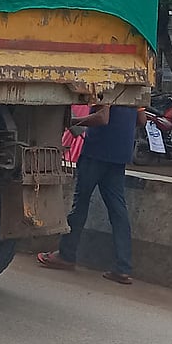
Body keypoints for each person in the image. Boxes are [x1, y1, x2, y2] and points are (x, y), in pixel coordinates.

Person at [36, 104, 137, 285]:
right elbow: (142, 120)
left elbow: (102, 118)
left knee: (80, 203)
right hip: (121, 153)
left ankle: (66, 255)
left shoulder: (106, 82)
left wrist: (72, 122)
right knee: (118, 210)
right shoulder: (133, 86)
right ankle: (123, 267)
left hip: (97, 151)